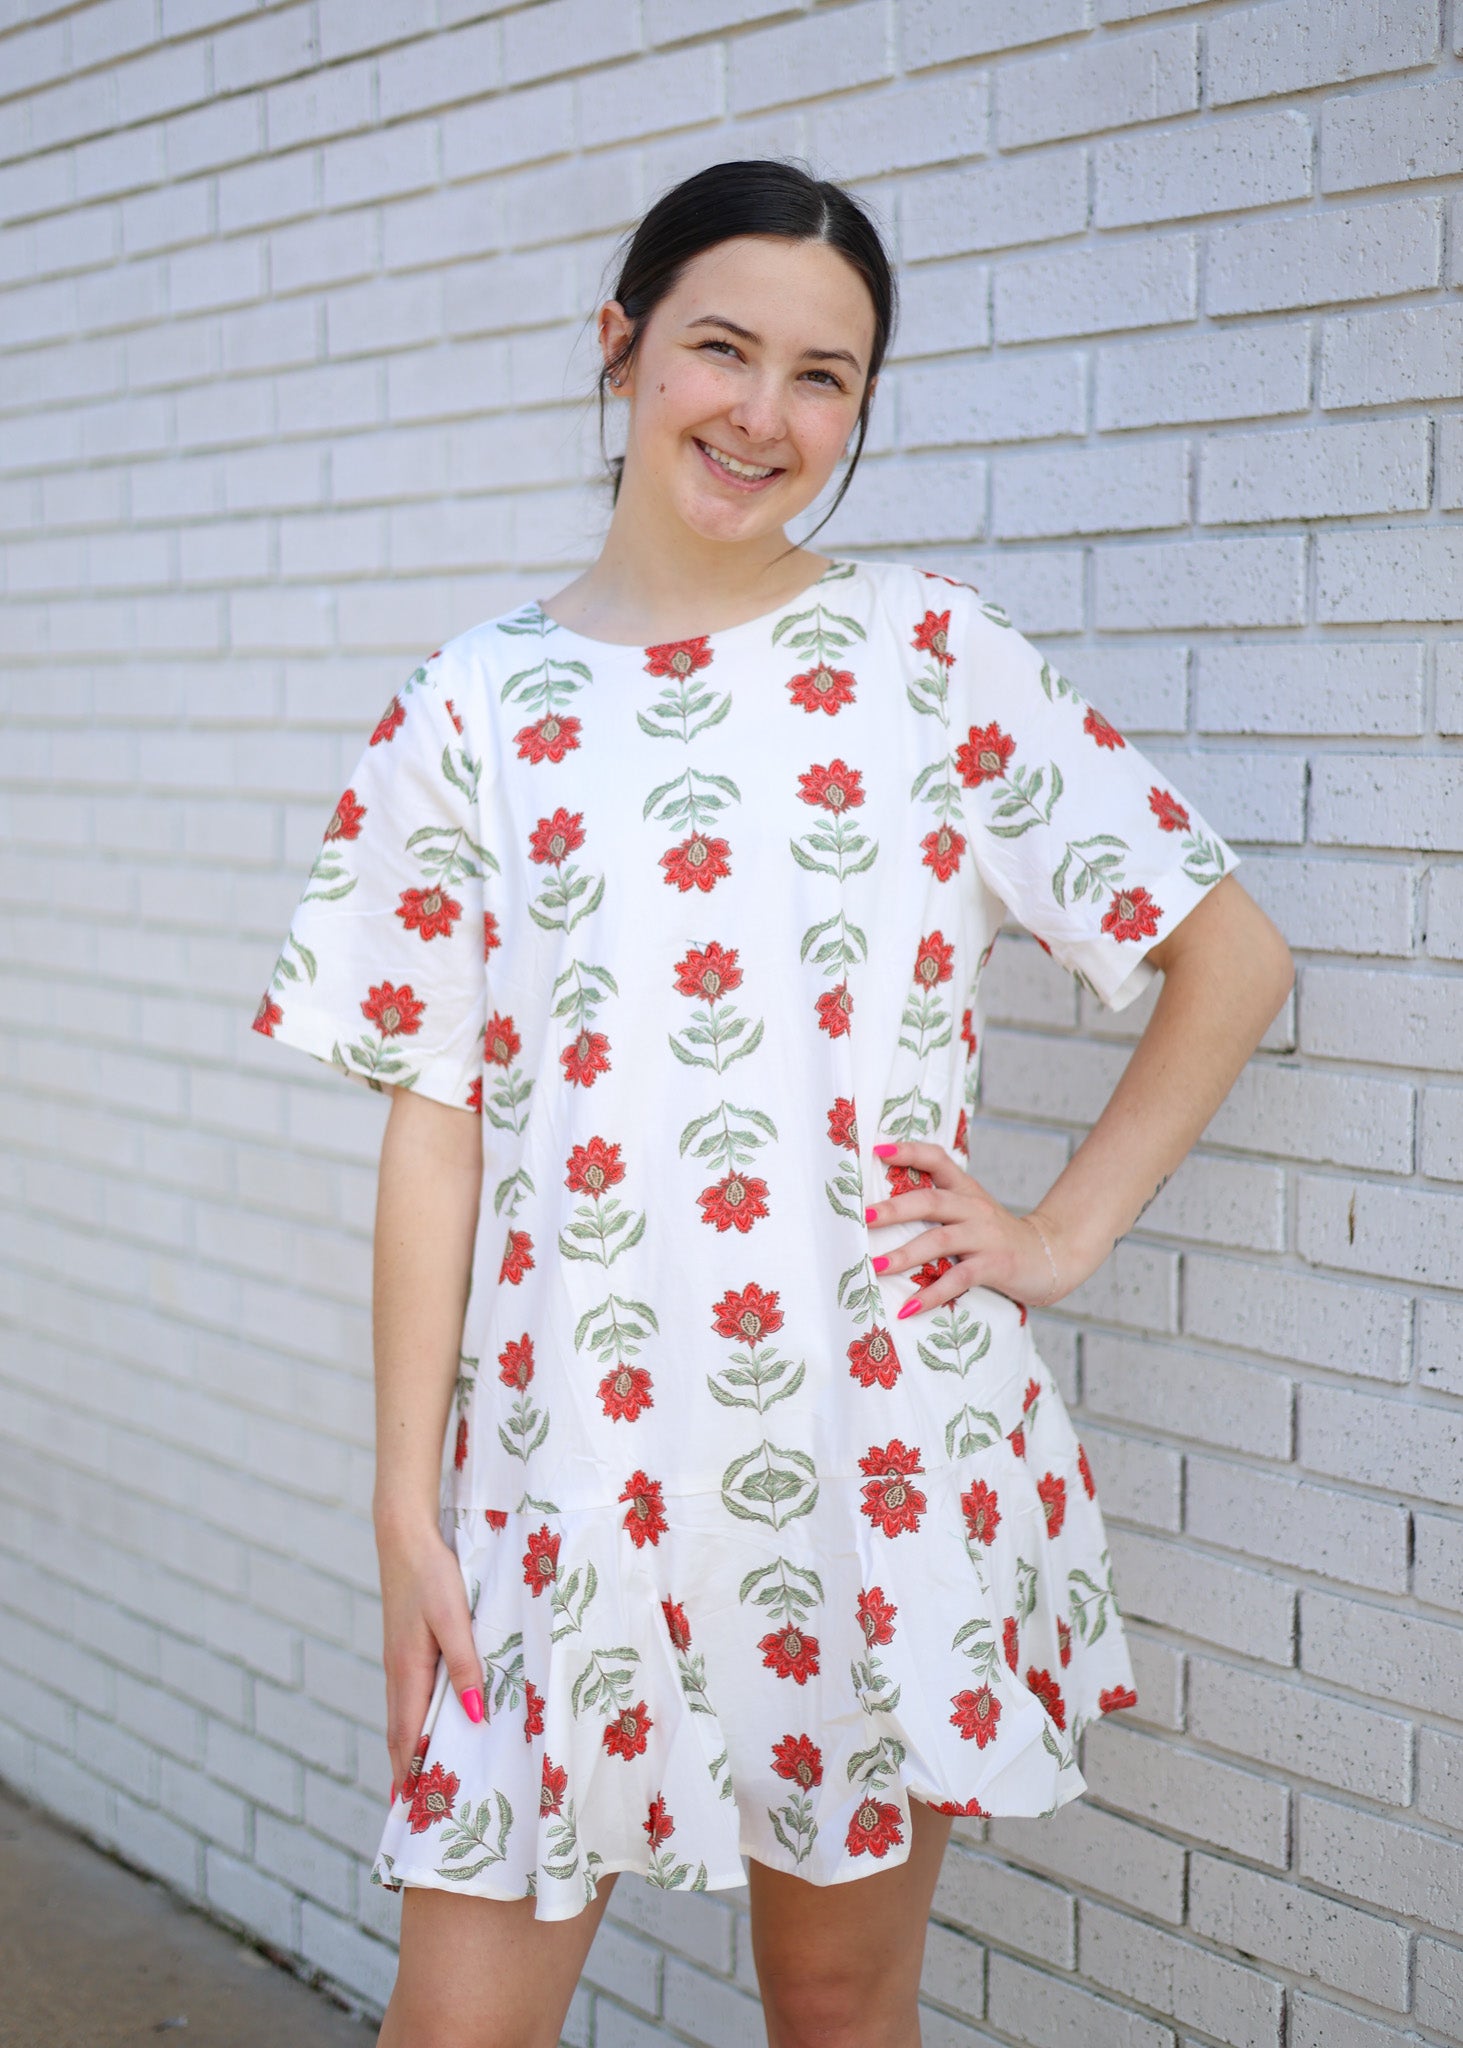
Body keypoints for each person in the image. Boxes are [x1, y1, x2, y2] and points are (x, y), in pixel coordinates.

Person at [251, 159, 1294, 2048]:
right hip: (561, 1475)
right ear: (623, 345)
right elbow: (437, 1120)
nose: (764, 413)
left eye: (826, 376)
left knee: (834, 1999)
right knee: (457, 2021)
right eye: (722, 348)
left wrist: (1059, 1233)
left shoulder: (931, 659)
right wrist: (407, 1506)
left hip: (869, 1456)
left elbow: (1234, 958)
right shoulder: (474, 708)